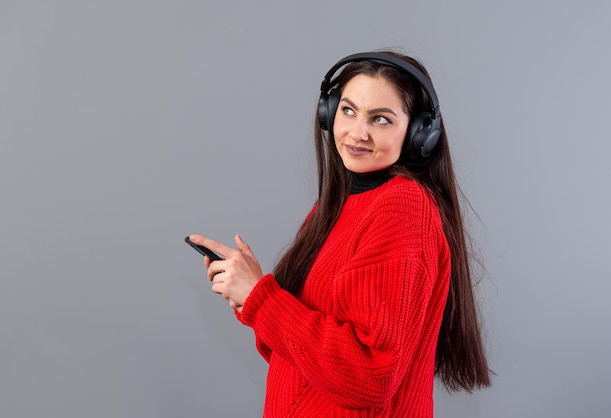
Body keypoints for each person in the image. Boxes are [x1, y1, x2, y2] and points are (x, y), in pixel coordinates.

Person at [189, 50, 491, 417]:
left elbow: (368, 377)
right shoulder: (336, 205)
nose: (357, 132)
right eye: (347, 111)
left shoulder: (402, 209)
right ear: (329, 113)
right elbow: (303, 363)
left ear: (417, 134)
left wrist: (263, 299)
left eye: (380, 119)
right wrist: (254, 298)